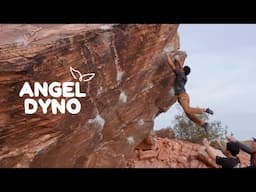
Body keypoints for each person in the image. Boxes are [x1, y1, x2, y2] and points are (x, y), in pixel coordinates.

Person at [166, 52, 214, 133]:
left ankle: (205, 109)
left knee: (188, 110)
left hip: (182, 96)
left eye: (182, 68)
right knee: (188, 114)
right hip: (184, 96)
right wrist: (178, 61)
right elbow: (181, 68)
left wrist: (167, 56)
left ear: (183, 70)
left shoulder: (180, 74)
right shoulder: (184, 76)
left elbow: (172, 66)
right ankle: (203, 124)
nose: (181, 68)